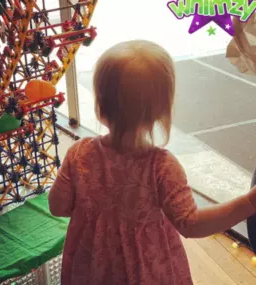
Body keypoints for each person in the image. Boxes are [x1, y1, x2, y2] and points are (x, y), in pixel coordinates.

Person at [48, 40, 256, 285]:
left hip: (92, 269)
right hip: (147, 272)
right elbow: (191, 224)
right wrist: (249, 201)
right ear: (161, 111)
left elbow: (57, 206)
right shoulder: (162, 167)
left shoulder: (79, 153)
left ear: (100, 107)